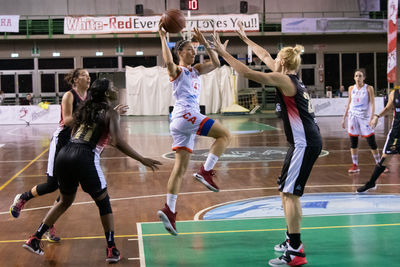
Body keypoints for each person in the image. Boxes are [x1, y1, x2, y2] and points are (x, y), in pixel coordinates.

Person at [22, 78, 162, 262]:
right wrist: (141, 159)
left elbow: (80, 128)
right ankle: (111, 249)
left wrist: (113, 115)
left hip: (65, 154)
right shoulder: (110, 113)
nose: (114, 89)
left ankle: (35, 238)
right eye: (112, 87)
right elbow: (116, 141)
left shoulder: (85, 108)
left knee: (64, 201)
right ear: (106, 93)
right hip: (85, 155)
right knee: (103, 203)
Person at [216, 23, 322, 266]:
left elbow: (248, 73)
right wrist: (246, 39)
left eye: (276, 58)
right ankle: (291, 239)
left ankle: (295, 251)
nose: (271, 59)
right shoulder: (289, 76)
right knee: (285, 192)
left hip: (305, 143)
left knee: (290, 194)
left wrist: (224, 53)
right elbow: (263, 55)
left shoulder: (284, 80)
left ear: (282, 64)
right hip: (301, 143)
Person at [157, 24, 231, 236]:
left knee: (179, 169)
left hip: (181, 122)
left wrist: (206, 43)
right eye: (189, 49)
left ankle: (169, 210)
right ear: (180, 52)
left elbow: (217, 63)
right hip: (185, 115)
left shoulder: (196, 70)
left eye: (193, 49)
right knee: (225, 134)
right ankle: (205, 171)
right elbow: (168, 62)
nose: (193, 51)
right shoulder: (178, 71)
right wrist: (163, 37)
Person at [10, 68, 90, 242]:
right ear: (76, 80)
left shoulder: (89, 97)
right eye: (84, 75)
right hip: (61, 141)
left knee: (67, 190)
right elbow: (67, 120)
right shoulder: (70, 95)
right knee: (52, 185)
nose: (88, 77)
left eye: (89, 75)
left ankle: (49, 225)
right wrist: (87, 115)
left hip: (76, 144)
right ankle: (22, 198)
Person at [357, 88, 400, 193]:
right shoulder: (394, 94)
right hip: (396, 132)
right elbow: (388, 108)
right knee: (385, 158)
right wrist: (377, 116)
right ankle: (371, 183)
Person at [342, 69, 382, 173]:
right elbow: (349, 103)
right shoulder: (351, 88)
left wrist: (372, 117)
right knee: (353, 142)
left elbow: (373, 103)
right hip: (353, 117)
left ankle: (379, 164)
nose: (358, 78)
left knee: (371, 141)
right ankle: (355, 165)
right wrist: (344, 118)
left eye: (360, 76)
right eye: (356, 76)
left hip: (365, 118)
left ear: (364, 77)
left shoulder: (369, 88)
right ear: (354, 77)